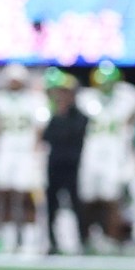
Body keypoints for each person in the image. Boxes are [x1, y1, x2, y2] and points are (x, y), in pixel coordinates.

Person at [76, 60, 135, 251]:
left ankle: (112, 238)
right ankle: (86, 238)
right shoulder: (86, 98)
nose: (105, 85)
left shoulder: (126, 97)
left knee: (112, 198)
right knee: (88, 198)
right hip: (91, 154)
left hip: (115, 154)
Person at [0, 61, 48, 255]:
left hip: (25, 152)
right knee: (5, 194)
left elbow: (40, 127)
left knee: (28, 194)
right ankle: (8, 238)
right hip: (5, 151)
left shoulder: (34, 99)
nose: (14, 83)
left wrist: (36, 151)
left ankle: (30, 239)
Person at [42, 71, 88, 255]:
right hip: (54, 164)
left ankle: (81, 240)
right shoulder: (50, 114)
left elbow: (74, 135)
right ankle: (52, 241)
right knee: (51, 204)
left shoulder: (79, 116)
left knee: (76, 204)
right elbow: (46, 137)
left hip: (73, 165)